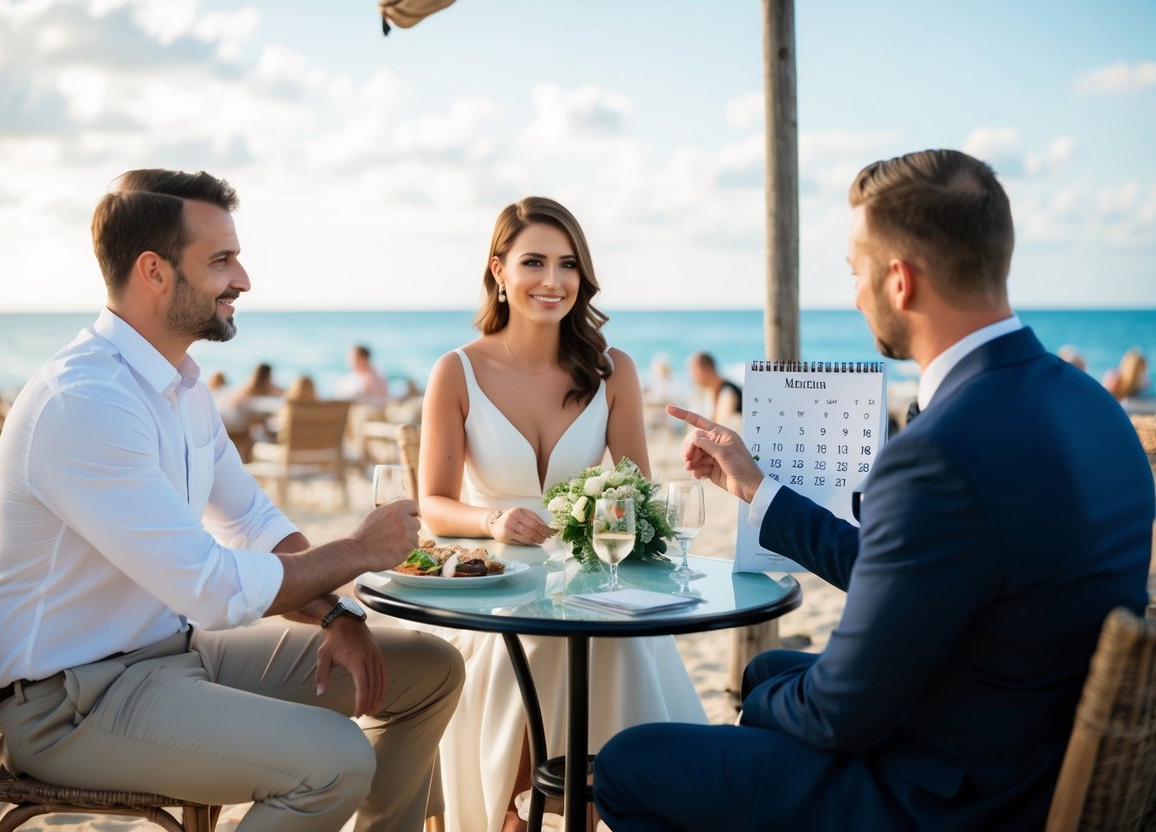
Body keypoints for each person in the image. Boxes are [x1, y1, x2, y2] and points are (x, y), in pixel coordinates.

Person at [593, 149, 1155, 830]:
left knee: (628, 763)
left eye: (855, 272)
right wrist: (758, 490)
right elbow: (923, 567)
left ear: (899, 281)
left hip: (950, 799)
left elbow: (840, 715)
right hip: (1031, 746)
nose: (853, 294)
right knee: (770, 669)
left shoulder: (936, 453)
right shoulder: (1095, 408)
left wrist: (755, 706)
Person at [0, 169, 464, 831]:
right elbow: (210, 590)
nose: (243, 279)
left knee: (426, 667)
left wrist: (335, 617)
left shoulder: (176, 384)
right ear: (154, 271)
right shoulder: (86, 401)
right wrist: (358, 550)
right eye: (220, 261)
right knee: (335, 760)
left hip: (171, 656)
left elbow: (251, 521)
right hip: (70, 703)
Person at [417, 196, 706, 832]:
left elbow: (637, 496)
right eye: (535, 262)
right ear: (498, 269)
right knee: (518, 647)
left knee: (619, 646)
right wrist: (492, 522)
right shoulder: (456, 371)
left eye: (568, 264)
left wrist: (614, 520)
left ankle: (600, 806)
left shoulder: (612, 370)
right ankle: (509, 811)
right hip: (492, 581)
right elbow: (432, 506)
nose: (554, 281)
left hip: (588, 576)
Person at [686, 351, 742, 427]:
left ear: (707, 369)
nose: (691, 375)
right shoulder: (710, 391)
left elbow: (722, 426)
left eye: (693, 369)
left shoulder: (727, 392)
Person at [344, 344, 390, 408]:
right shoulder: (367, 373)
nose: (349, 361)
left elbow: (379, 402)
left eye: (353, 358)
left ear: (363, 359)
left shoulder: (371, 376)